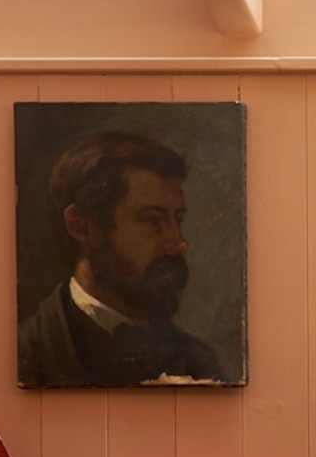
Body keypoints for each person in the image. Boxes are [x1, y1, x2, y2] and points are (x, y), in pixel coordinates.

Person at [18, 129, 227, 387]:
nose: (179, 244)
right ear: (81, 226)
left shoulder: (197, 360)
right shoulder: (29, 351)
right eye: (153, 220)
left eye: (178, 219)